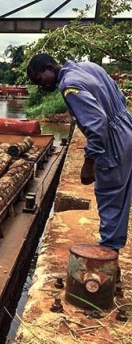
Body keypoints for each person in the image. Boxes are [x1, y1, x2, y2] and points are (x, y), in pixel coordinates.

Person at [27, 53, 132, 255]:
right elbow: (120, 97)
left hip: (113, 141)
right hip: (127, 129)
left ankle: (106, 258)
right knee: (121, 194)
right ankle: (112, 248)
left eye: (40, 80)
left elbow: (97, 123)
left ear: (50, 67)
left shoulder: (69, 85)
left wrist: (89, 162)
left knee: (109, 195)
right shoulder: (89, 67)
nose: (41, 86)